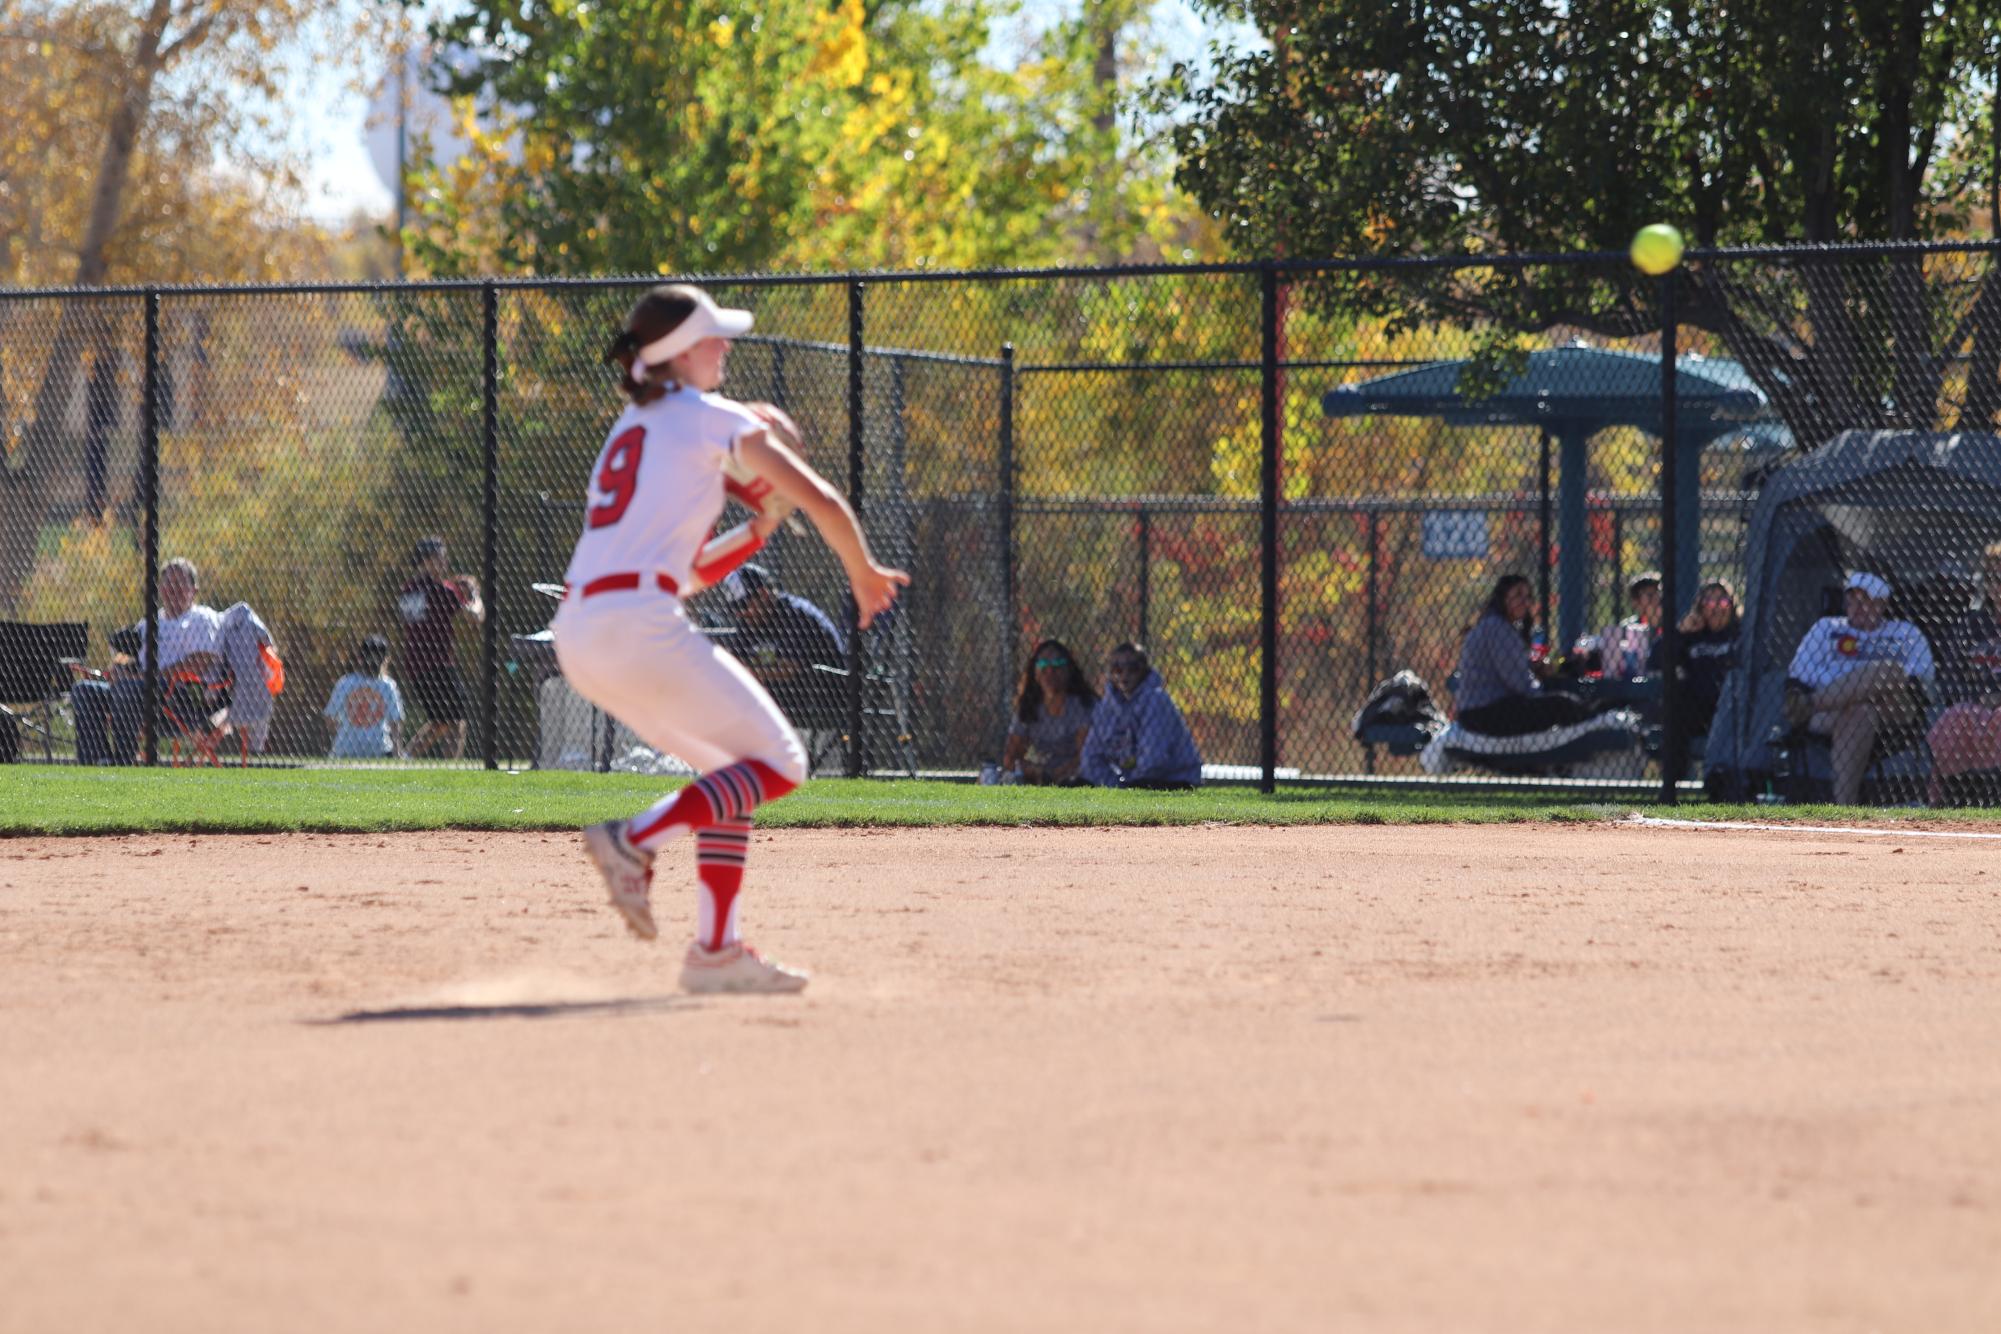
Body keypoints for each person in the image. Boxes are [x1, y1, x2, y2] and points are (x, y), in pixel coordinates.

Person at [556, 282, 907, 994]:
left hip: (586, 632)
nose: (724, 347)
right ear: (679, 352)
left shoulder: (634, 425)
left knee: (731, 774)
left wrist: (756, 531)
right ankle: (635, 839)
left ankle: (716, 950)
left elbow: (687, 573)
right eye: (713, 337)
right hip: (638, 627)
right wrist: (863, 571)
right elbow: (823, 499)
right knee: (780, 762)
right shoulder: (708, 415)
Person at [1785, 570, 1935, 806]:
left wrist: (1855, 685)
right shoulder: (1826, 628)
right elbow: (1798, 675)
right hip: (1832, 715)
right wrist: (1858, 693)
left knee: (1890, 670)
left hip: (1891, 709)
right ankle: (1845, 808)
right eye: (1853, 599)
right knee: (1861, 711)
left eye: (1866, 600)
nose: (1858, 606)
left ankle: (1816, 701)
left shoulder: (1904, 632)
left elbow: (1920, 679)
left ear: (1883, 604)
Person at [71, 556, 222, 764]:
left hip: (182, 699)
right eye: (168, 583)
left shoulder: (202, 618)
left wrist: (144, 678)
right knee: (84, 690)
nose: (174, 589)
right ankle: (98, 762)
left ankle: (124, 761)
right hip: (140, 694)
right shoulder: (150, 622)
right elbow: (127, 660)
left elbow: (200, 662)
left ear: (194, 590)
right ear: (160, 588)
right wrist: (118, 670)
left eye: (180, 583)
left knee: (128, 688)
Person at [1452, 573, 1590, 735]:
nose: (1525, 602)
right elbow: (1519, 683)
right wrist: (1542, 686)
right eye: (1518, 595)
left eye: (1528, 596)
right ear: (1503, 597)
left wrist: (1534, 669)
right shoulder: (1498, 628)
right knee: (1565, 705)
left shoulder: (1490, 625)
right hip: (1487, 712)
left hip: (1476, 711)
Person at [725, 563, 847, 730]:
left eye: (743, 605)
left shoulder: (795, 614)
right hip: (780, 703)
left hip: (821, 702)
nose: (740, 613)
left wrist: (752, 671)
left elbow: (791, 667)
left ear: (763, 594)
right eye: (734, 608)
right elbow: (737, 664)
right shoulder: (749, 624)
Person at [1926, 543, 2001, 803]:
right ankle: (1947, 799)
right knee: (1956, 716)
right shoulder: (1971, 625)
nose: (1996, 585)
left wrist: (1997, 697)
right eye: (1991, 578)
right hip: (1972, 708)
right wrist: (1978, 698)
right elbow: (1949, 678)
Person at [398, 536, 483, 759]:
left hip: (415, 663)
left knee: (441, 721)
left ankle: (406, 757)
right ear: (426, 560)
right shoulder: (440, 589)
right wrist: (474, 594)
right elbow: (475, 617)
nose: (445, 564)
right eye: (440, 559)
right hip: (438, 662)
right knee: (455, 721)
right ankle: (449, 769)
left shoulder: (408, 589)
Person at [1081, 643, 1203, 789]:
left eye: (1133, 668)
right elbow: (1091, 757)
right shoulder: (1106, 708)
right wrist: (1114, 785)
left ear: (1144, 670)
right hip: (1133, 782)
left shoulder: (1156, 700)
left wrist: (1130, 786)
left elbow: (1154, 759)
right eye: (1118, 668)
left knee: (1145, 784)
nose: (1125, 674)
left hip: (1174, 780)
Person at [1000, 638, 1098, 784]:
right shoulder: (1029, 706)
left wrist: (1055, 776)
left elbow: (1086, 755)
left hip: (1079, 775)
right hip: (1041, 775)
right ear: (1034, 671)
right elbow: (1010, 758)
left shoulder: (1083, 704)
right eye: (1043, 664)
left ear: (1069, 669)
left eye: (1057, 664)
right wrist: (1034, 770)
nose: (1050, 671)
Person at [1675, 580, 1741, 736]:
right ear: (1700, 608)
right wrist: (1681, 631)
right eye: (1710, 602)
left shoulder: (1740, 633)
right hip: (1696, 708)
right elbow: (1656, 660)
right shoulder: (1692, 636)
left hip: (1731, 705)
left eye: (1723, 601)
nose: (1717, 607)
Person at [324, 634, 405, 759]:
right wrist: (397, 751)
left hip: (350, 750)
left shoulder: (347, 682)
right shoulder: (386, 686)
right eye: (371, 657)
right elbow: (395, 723)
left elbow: (330, 719)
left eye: (377, 657)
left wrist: (345, 733)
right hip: (373, 750)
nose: (373, 661)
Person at [1599, 571, 1664, 679]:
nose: (1657, 598)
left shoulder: (1671, 625)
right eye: (1650, 595)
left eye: (1659, 593)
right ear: (1636, 602)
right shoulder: (1627, 628)